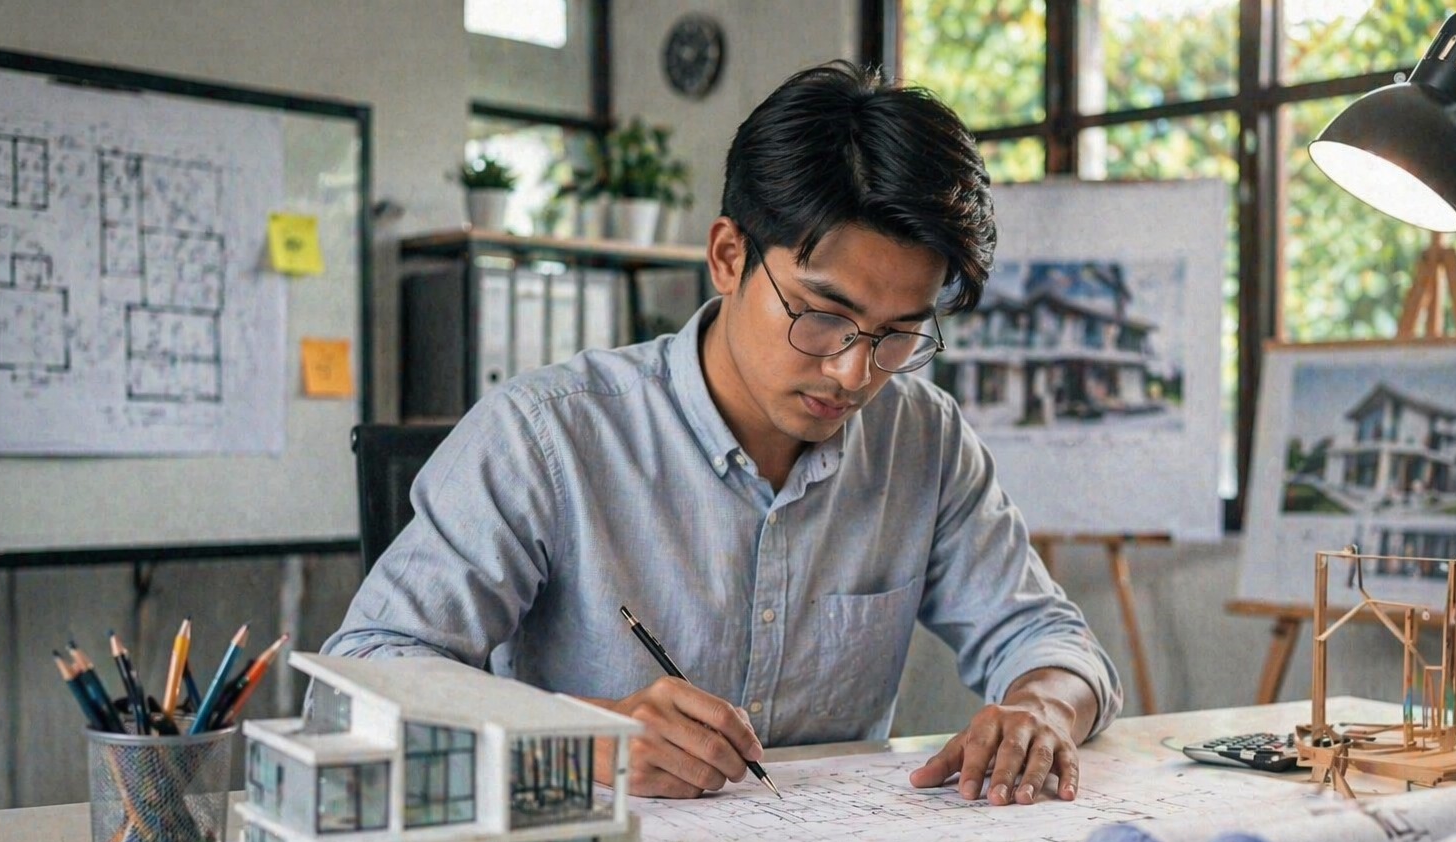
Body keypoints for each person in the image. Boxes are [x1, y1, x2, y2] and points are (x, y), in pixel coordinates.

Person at [326, 61, 1122, 804]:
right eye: (822, 316)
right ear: (727, 255)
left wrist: (1042, 709)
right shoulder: (549, 436)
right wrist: (586, 739)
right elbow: (361, 671)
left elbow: (1048, 637)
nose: (854, 373)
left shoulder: (922, 439)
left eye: (898, 335)